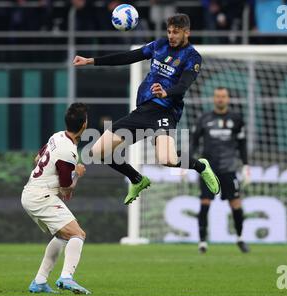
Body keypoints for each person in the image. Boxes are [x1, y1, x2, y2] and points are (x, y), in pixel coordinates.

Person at [73, 13, 221, 205]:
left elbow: (184, 85)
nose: (171, 36)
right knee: (98, 151)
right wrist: (91, 61)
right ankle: (137, 179)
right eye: (169, 32)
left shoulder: (192, 57)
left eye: (176, 32)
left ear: (187, 32)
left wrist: (165, 93)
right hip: (142, 112)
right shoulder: (159, 45)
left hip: (165, 113)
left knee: (166, 159)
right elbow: (128, 57)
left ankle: (200, 166)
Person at [21, 103, 91, 295]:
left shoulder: (57, 136)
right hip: (40, 196)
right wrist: (77, 173)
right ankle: (67, 277)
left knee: (62, 236)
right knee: (78, 234)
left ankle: (39, 282)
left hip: (32, 192)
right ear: (84, 125)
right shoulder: (68, 151)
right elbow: (66, 187)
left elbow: (37, 160)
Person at [191, 87, 250, 254]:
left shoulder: (236, 119)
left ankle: (240, 238)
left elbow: (242, 144)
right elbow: (194, 142)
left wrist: (245, 165)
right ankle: (202, 242)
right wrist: (186, 162)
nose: (220, 99)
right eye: (217, 96)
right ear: (213, 98)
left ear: (228, 99)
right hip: (207, 169)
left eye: (223, 96)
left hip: (229, 168)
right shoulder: (204, 118)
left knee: (236, 203)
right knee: (205, 202)